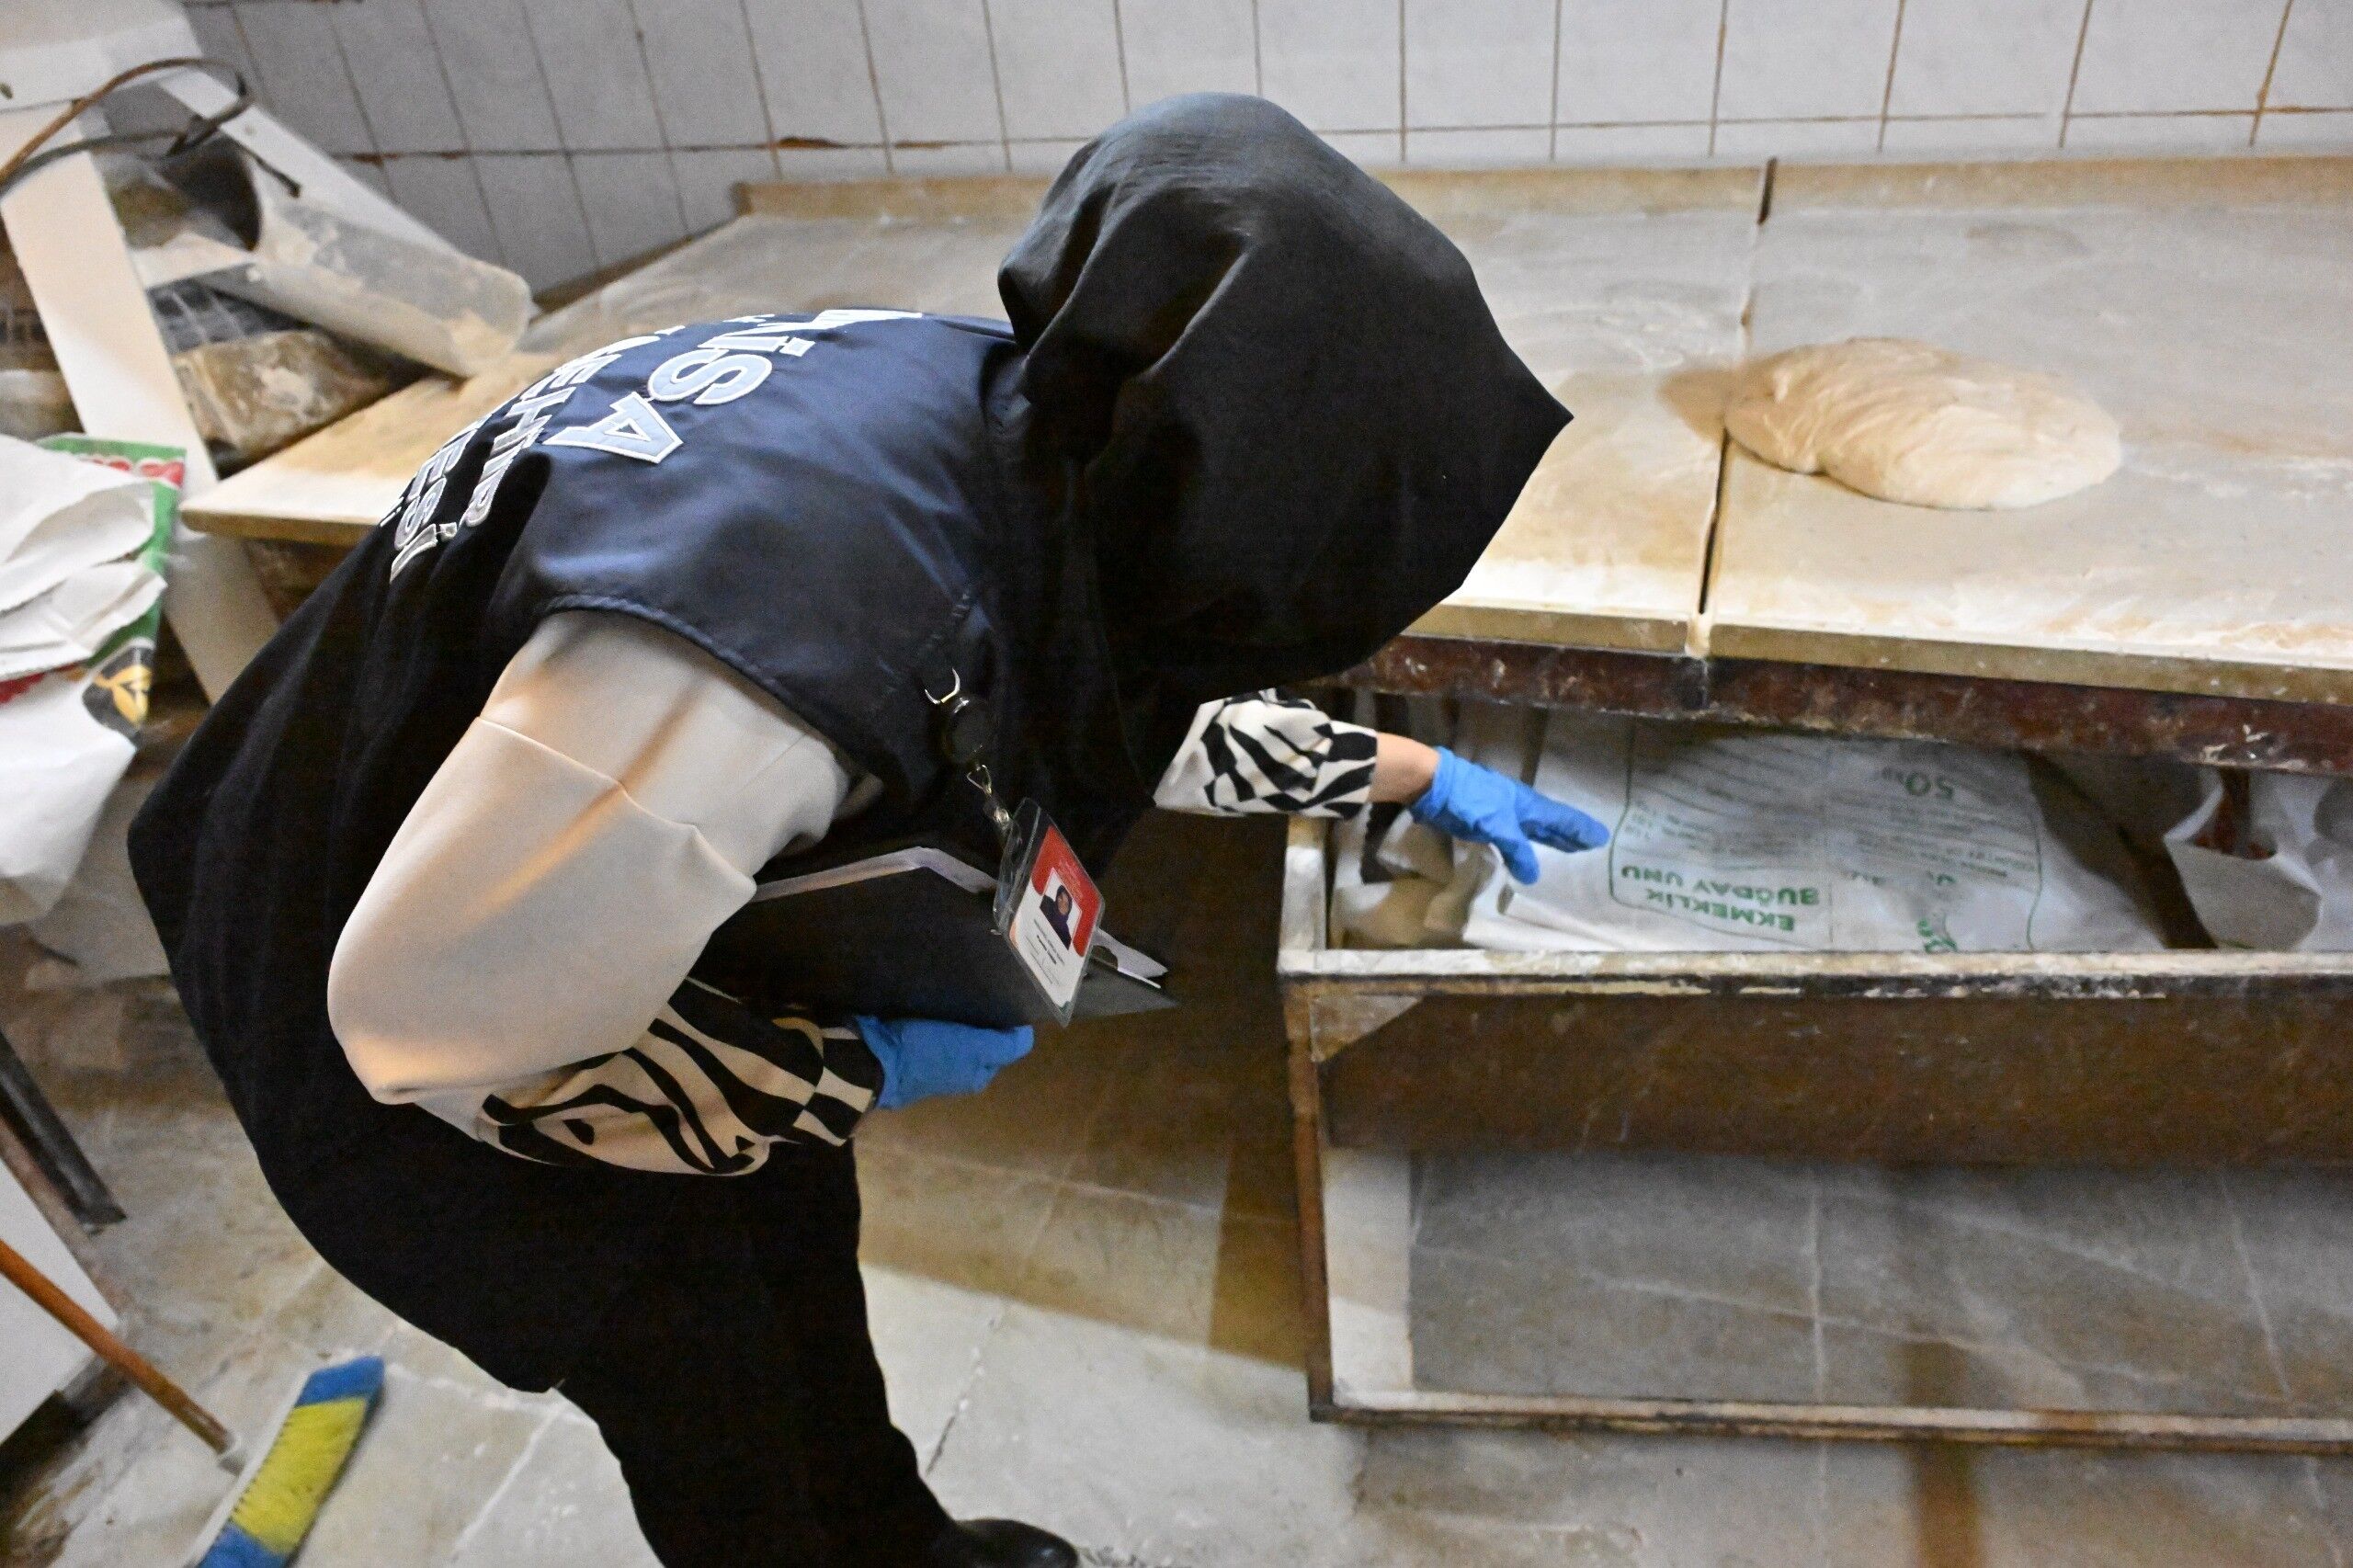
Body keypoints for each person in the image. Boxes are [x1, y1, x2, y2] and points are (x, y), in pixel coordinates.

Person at [129, 95, 1607, 1567]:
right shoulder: (768, 665)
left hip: (567, 840)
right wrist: (847, 1063)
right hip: (393, 975)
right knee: (702, 1376)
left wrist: (1407, 772)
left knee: (790, 1237)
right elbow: (431, 1031)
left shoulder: (1052, 413)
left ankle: (895, 1535)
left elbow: (1098, 685)